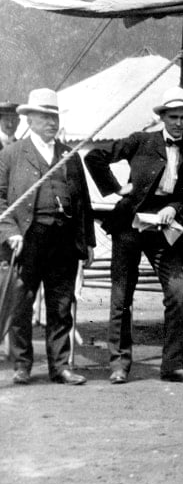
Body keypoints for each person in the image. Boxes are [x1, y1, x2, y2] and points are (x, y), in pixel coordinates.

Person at [85, 86, 183, 385]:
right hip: (128, 227)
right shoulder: (141, 141)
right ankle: (119, 364)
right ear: (162, 117)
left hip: (164, 231)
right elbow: (95, 156)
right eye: (173, 116)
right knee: (120, 296)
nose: (178, 123)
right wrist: (116, 188)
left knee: (178, 292)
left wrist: (174, 207)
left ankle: (172, 365)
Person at [0, 88, 94, 385]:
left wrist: (88, 242)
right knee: (20, 305)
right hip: (27, 239)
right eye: (44, 116)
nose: (51, 122)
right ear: (30, 118)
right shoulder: (12, 154)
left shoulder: (70, 155)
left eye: (54, 116)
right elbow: (1, 200)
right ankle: (23, 365)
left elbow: (83, 203)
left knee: (61, 305)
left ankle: (60, 367)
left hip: (63, 240)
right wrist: (10, 232)